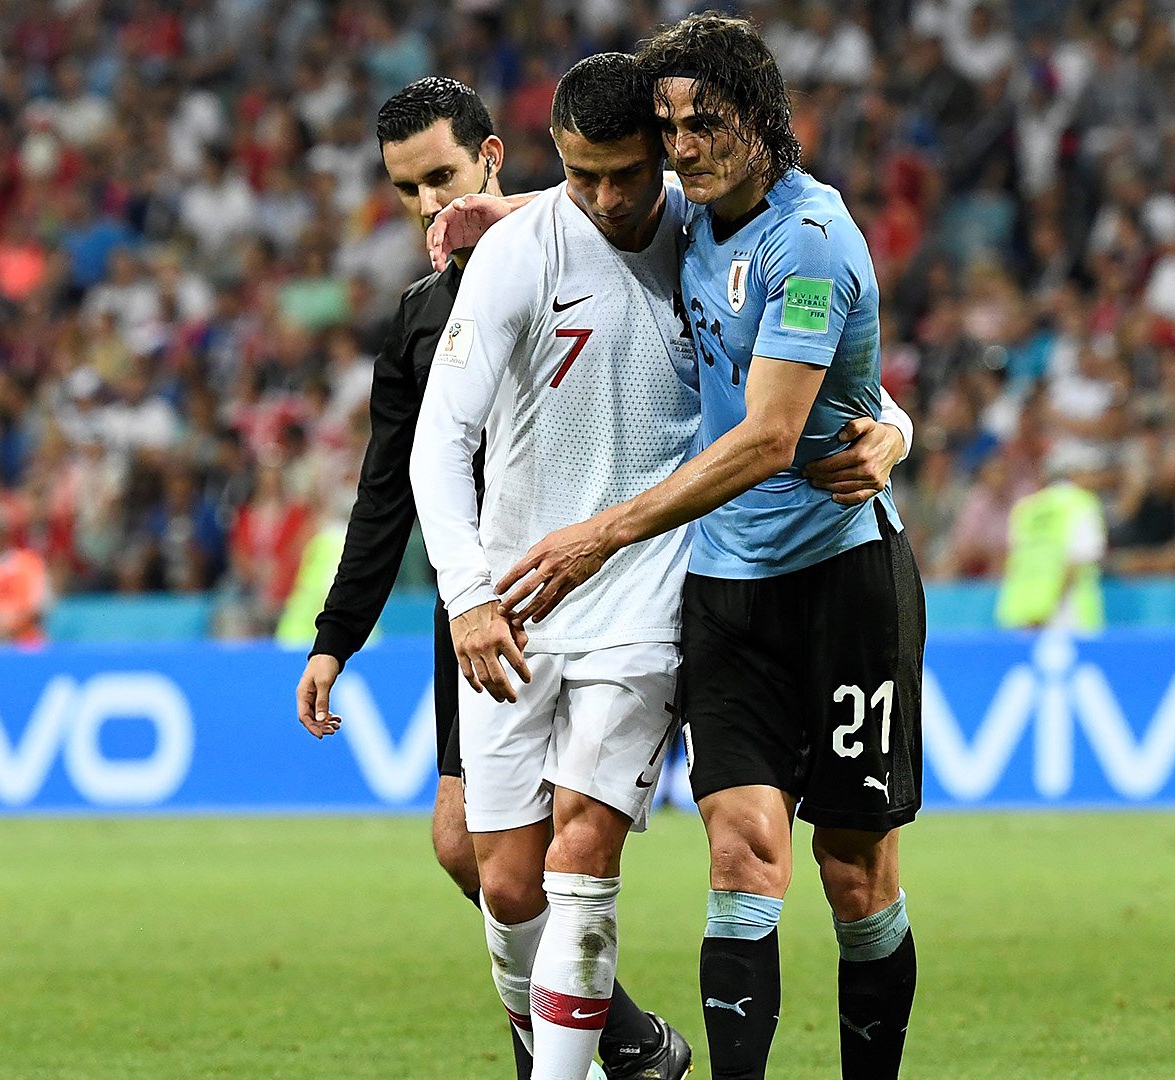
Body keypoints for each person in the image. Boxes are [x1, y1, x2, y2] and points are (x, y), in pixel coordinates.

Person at [462, 18, 925, 1078]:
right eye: (669, 128)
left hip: (845, 582)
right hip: (725, 588)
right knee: (740, 853)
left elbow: (769, 438)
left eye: (703, 124)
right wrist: (506, 211)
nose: (683, 148)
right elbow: (607, 201)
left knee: (854, 875)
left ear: (763, 121)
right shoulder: (699, 212)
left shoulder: (807, 241)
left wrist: (604, 533)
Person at [295, 76, 690, 1080]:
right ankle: (624, 1037)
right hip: (477, 600)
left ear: (489, 165)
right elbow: (390, 487)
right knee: (467, 852)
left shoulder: (590, 251)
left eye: (440, 178)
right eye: (404, 191)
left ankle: (570, 1056)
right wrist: (338, 636)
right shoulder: (424, 314)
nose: (427, 205)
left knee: (572, 844)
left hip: (606, 587)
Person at [409, 55, 710, 1080]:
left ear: (663, 155)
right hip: (515, 607)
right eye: (582, 176)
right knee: (504, 883)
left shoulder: (711, 243)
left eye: (626, 174)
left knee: (583, 853)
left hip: (644, 597)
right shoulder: (517, 255)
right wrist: (468, 600)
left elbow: (812, 362)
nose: (606, 199)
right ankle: (640, 1054)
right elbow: (437, 443)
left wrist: (883, 424)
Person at [995, 459, 1108, 632]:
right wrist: (1046, 612)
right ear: (1075, 474)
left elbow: (1013, 562)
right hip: (1068, 617)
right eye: (1091, 473)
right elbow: (1076, 562)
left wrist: (1032, 614)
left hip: (1021, 615)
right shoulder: (1082, 504)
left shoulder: (1025, 509)